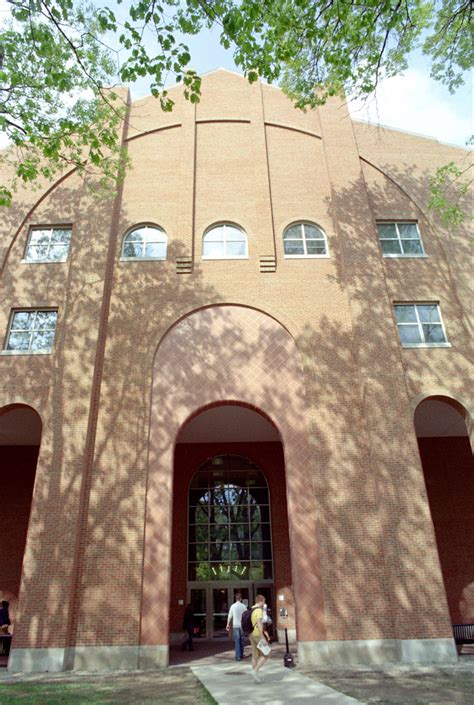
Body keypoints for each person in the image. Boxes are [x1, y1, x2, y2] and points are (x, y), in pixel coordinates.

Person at [249, 594, 271, 683]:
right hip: (258, 635)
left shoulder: (251, 609)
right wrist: (263, 638)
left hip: (251, 634)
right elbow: (259, 624)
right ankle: (255, 671)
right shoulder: (259, 610)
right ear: (261, 601)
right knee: (266, 653)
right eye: (264, 601)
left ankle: (255, 676)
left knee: (255, 656)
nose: (264, 603)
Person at [225, 592, 247, 661]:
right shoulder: (244, 606)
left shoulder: (232, 606)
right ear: (240, 599)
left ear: (236, 598)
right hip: (242, 625)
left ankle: (238, 657)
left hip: (235, 625)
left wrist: (227, 624)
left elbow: (230, 615)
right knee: (242, 640)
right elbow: (246, 616)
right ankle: (241, 654)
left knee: (237, 641)